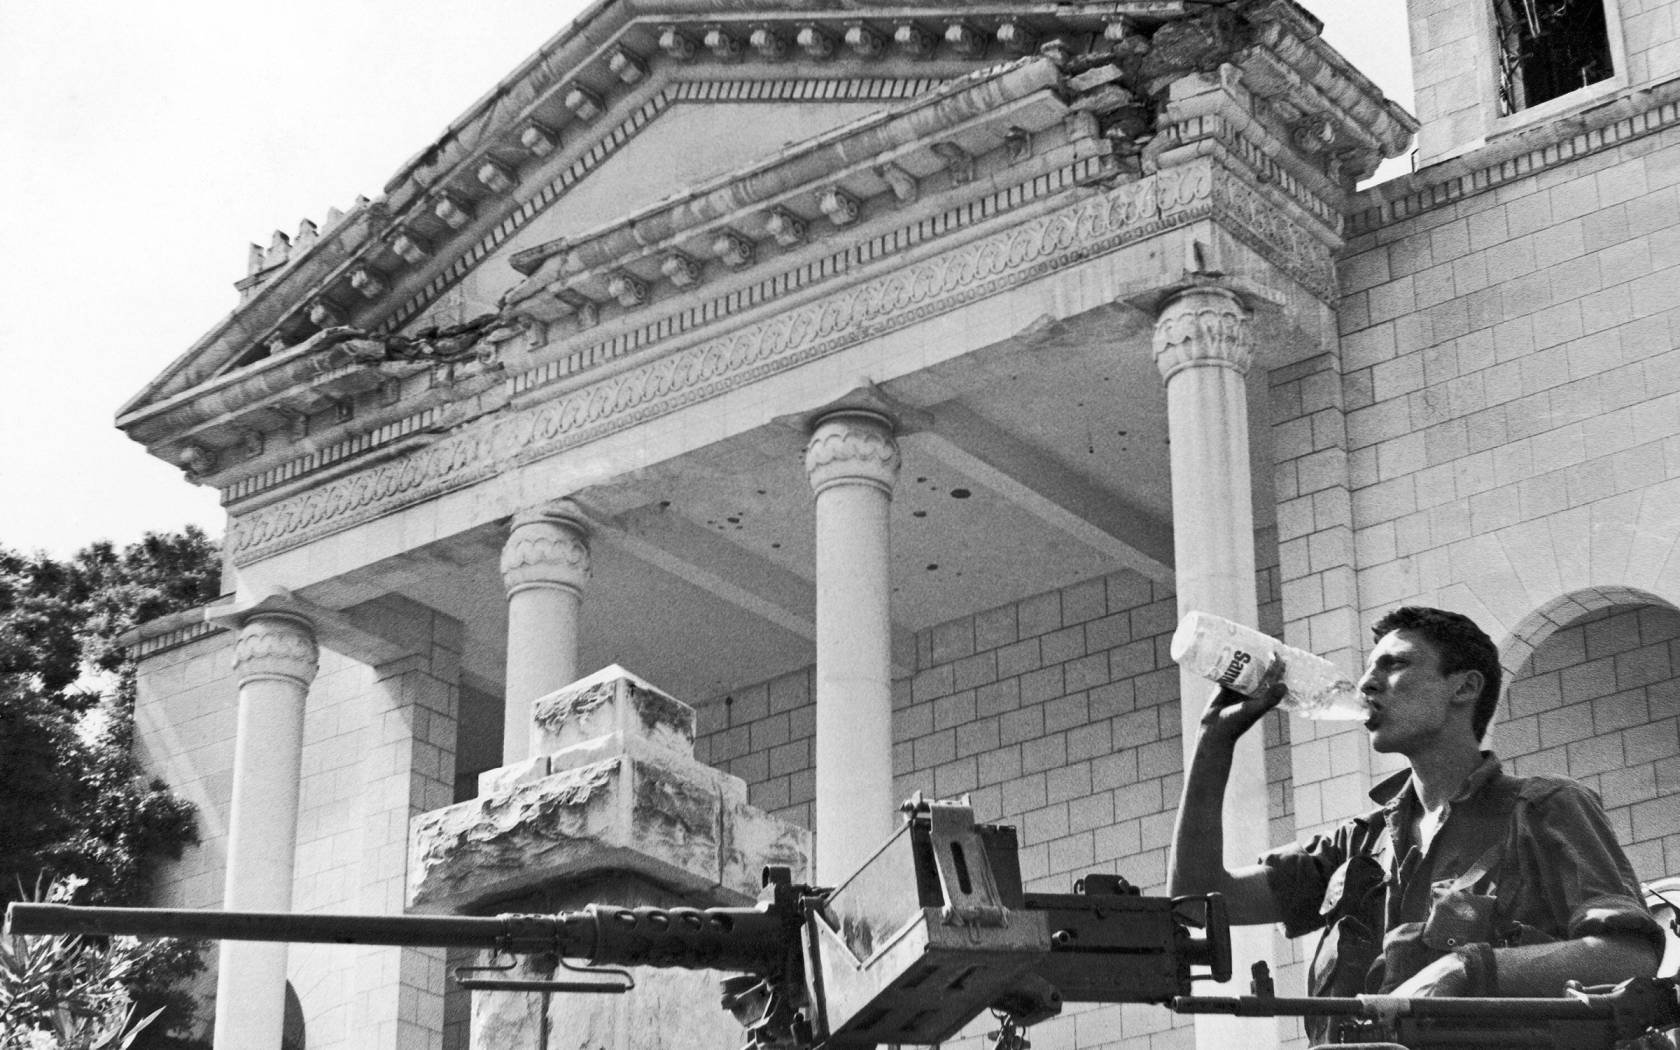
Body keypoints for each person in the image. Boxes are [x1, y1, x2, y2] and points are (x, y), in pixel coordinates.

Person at [1168, 606, 1663, 1040]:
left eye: (1396, 663)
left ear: (1465, 687)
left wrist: (1466, 967)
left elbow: (1628, 955)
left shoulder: (1544, 808)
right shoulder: (1358, 844)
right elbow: (1198, 900)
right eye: (1367, 669)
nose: (1366, 684)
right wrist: (1214, 742)